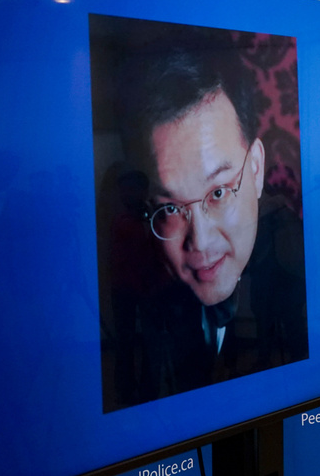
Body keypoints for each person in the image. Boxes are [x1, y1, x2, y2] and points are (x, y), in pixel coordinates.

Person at [110, 39, 307, 406]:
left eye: (217, 193)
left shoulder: (292, 272)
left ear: (257, 168)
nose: (198, 241)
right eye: (169, 208)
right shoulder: (162, 301)